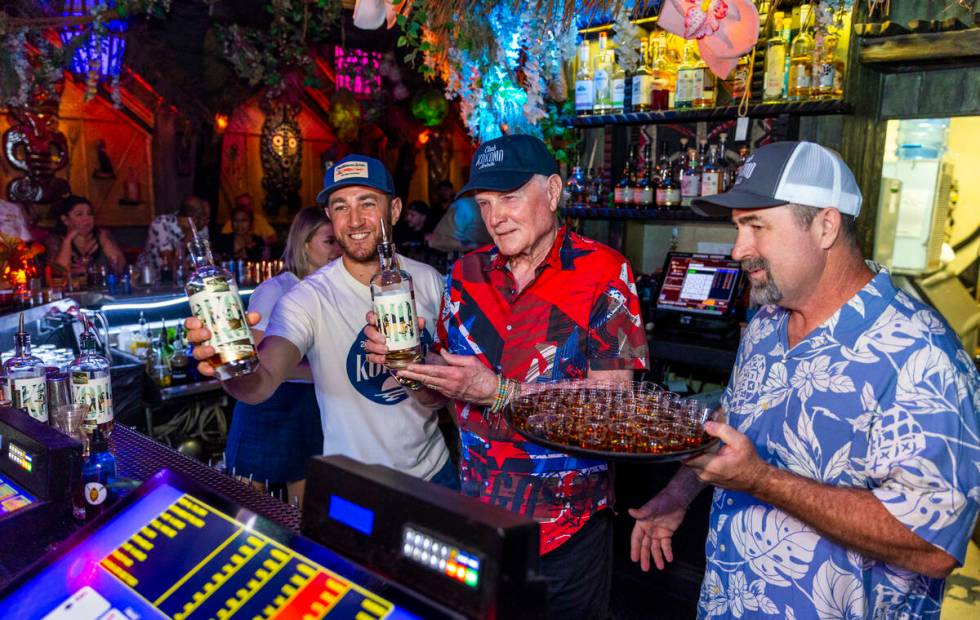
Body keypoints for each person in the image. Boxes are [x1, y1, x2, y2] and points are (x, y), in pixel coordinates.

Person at [629, 141, 980, 619]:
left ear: (825, 226)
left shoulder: (923, 356)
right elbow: (733, 428)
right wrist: (678, 494)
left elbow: (933, 546)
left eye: (757, 226)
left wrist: (761, 480)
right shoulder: (766, 325)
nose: (738, 250)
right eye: (737, 228)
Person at [364, 135, 649, 619]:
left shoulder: (603, 272)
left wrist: (497, 392)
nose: (495, 217)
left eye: (510, 198)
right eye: (485, 203)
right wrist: (414, 369)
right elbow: (439, 400)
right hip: (481, 523)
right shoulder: (465, 275)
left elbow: (613, 408)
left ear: (553, 192)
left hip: (565, 529)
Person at [185, 155, 455, 490]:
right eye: (340, 206)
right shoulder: (306, 298)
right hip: (354, 485)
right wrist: (228, 366)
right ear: (329, 216)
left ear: (395, 210)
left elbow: (448, 386)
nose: (354, 220)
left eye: (367, 203)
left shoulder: (429, 280)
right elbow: (261, 385)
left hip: (436, 474)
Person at [225, 207, 341, 505]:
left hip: (309, 406)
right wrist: (324, 370)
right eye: (330, 241)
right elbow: (257, 360)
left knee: (301, 509)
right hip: (271, 405)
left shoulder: (331, 291)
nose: (338, 250)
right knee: (251, 509)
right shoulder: (278, 288)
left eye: (339, 241)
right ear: (304, 244)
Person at [45, 195, 125, 277]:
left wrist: (83, 270)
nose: (87, 218)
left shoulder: (102, 235)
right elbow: (58, 273)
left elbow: (120, 267)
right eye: (79, 214)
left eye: (89, 213)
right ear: (65, 220)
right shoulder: (55, 240)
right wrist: (68, 240)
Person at [141, 195, 211, 274]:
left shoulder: (202, 229)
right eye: (204, 218)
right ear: (193, 219)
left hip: (185, 278)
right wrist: (188, 237)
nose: (206, 222)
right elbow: (170, 264)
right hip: (149, 278)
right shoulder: (161, 223)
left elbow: (204, 262)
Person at [426, 194, 492, 259]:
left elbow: (435, 241)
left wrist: (478, 246)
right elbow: (435, 241)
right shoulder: (466, 206)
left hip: (471, 262)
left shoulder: (464, 205)